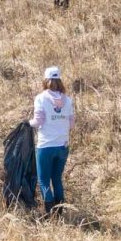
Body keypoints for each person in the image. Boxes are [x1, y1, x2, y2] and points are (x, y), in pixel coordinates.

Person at [29, 66, 75, 218]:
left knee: (43, 181)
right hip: (63, 146)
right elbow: (71, 124)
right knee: (57, 179)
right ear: (59, 80)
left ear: (46, 80)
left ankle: (50, 214)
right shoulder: (68, 100)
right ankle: (60, 212)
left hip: (45, 146)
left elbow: (38, 121)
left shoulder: (41, 99)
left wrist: (26, 124)